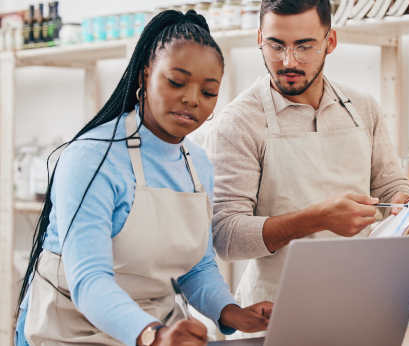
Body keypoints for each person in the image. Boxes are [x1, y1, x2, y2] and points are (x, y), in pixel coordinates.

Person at [15, 10, 272, 346]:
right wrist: (153, 335)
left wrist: (231, 312)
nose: (192, 99)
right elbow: (89, 280)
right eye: (176, 82)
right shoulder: (92, 159)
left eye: (208, 92)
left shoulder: (198, 165)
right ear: (144, 76)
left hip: (158, 326)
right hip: (69, 328)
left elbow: (196, 266)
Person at [204, 0, 409, 336]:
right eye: (275, 46)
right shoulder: (238, 123)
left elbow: (391, 185)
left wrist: (405, 204)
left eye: (305, 46)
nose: (288, 62)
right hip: (275, 315)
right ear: (259, 37)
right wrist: (316, 218)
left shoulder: (363, 108)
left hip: (365, 301)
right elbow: (226, 237)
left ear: (330, 42)